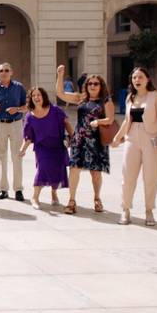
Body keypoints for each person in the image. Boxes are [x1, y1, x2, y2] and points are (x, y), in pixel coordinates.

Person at [110, 67, 157, 226]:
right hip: (132, 139)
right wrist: (117, 136)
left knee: (151, 177)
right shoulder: (130, 97)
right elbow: (127, 120)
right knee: (128, 176)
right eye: (134, 77)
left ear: (147, 79)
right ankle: (125, 209)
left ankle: (149, 210)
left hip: (151, 139)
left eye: (140, 77)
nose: (137, 80)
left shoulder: (156, 96)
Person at [55, 66, 116, 214]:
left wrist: (99, 122)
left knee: (95, 172)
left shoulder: (106, 101)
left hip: (96, 140)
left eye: (96, 83)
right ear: (86, 86)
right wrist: (60, 75)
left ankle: (97, 198)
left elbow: (110, 119)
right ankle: (71, 200)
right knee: (74, 168)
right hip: (79, 138)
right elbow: (60, 94)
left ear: (101, 86)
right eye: (90, 83)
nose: (93, 86)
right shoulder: (81, 98)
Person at [18, 87, 72, 210]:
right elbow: (28, 137)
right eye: (34, 96)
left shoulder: (56, 110)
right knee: (42, 170)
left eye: (39, 95)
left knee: (57, 170)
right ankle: (35, 197)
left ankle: (54, 193)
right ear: (31, 99)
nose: (36, 98)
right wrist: (23, 149)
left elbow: (67, 123)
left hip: (58, 145)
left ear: (44, 97)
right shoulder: (29, 117)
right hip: (42, 148)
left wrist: (74, 137)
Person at [0, 63, 27, 201]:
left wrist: (18, 109)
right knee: (1, 157)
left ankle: (18, 189)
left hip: (16, 124)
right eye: (1, 71)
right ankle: (3, 189)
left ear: (11, 72)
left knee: (17, 157)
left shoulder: (19, 87)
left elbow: (26, 106)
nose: (4, 72)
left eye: (6, 70)